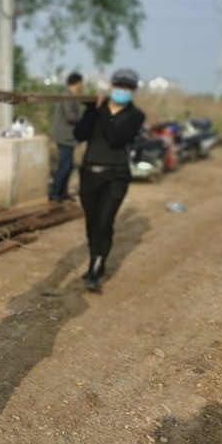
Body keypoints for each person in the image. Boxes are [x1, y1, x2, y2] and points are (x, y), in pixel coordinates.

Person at [73, 68, 145, 293]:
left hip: (116, 176)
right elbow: (79, 135)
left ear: (133, 91)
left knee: (104, 222)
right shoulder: (97, 109)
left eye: (128, 87)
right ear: (112, 86)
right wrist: (91, 110)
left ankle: (95, 269)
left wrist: (101, 109)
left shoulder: (135, 115)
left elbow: (116, 138)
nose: (123, 90)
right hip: (89, 174)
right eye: (119, 85)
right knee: (92, 223)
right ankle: (97, 257)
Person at [48, 72, 84, 202]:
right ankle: (55, 194)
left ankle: (62, 193)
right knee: (65, 165)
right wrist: (83, 121)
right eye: (81, 83)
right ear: (78, 83)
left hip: (68, 137)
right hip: (64, 137)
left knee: (69, 166)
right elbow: (69, 116)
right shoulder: (67, 96)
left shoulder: (71, 96)